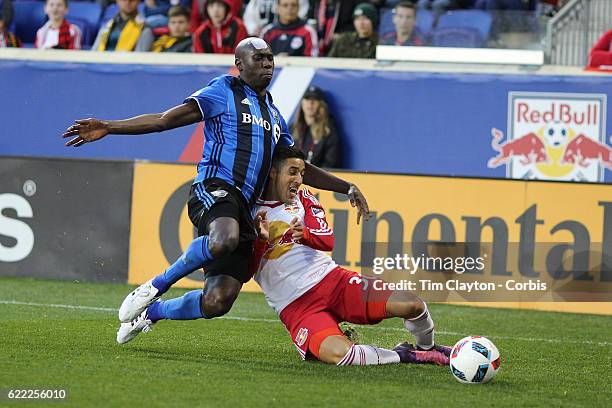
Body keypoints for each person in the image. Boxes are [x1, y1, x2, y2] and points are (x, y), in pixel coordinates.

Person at [62, 37, 370, 343]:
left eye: (269, 58)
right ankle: (154, 286)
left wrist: (346, 186)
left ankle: (152, 313)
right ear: (239, 65)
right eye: (258, 58)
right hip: (215, 187)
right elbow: (164, 120)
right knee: (225, 238)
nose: (266, 64)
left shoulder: (273, 114)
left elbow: (299, 165)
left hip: (244, 209)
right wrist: (109, 126)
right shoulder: (223, 90)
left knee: (217, 301)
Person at [247, 146, 451, 365]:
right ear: (273, 172)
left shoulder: (304, 198)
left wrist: (304, 234)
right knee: (341, 354)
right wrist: (260, 242)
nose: (298, 179)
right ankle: (406, 355)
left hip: (334, 282)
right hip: (297, 307)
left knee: (412, 304)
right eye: (293, 172)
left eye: (302, 173)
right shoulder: (249, 212)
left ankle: (427, 346)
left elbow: (328, 240)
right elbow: (245, 272)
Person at [291, 86, 340, 168]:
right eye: (307, 98)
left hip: (317, 179)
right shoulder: (292, 129)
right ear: (302, 103)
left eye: (315, 99)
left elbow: (330, 165)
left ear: (321, 105)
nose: (310, 103)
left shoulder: (328, 131)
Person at [242, 0, 309, 36]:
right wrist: (253, 30)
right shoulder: (256, 1)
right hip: (265, 34)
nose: (289, 9)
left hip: (294, 31)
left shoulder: (307, 31)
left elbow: (301, 12)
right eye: (285, 5)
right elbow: (249, 17)